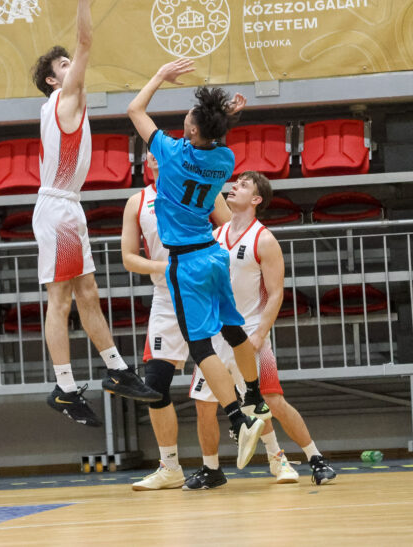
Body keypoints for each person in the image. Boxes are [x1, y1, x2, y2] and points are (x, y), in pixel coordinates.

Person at [30, 0, 159, 427]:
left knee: (86, 293)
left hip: (65, 206)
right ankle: (65, 388)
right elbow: (86, 42)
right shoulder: (65, 99)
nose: (74, 66)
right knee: (63, 299)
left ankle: (116, 371)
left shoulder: (59, 105)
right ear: (53, 79)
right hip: (59, 208)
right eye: (64, 65)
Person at [126, 58, 268, 471]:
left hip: (185, 262)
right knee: (233, 330)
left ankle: (239, 419)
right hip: (214, 254)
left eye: (189, 117)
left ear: (190, 130)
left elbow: (135, 109)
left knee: (201, 347)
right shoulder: (225, 159)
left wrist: (158, 75)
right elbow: (211, 138)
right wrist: (224, 117)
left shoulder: (169, 154)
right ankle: (255, 397)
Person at [186, 171, 337, 488]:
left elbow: (277, 293)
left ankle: (314, 459)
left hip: (248, 332)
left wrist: (260, 333)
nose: (234, 186)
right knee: (204, 405)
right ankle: (212, 469)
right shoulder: (215, 236)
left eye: (243, 185)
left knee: (270, 400)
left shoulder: (264, 239)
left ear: (256, 199)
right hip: (215, 335)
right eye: (235, 182)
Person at [121, 151, 232, 490]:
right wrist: (165, 268)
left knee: (242, 383)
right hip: (166, 298)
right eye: (149, 153)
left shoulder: (200, 187)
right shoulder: (137, 202)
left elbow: (231, 231)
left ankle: (276, 456)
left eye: (160, 150)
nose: (154, 156)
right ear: (146, 164)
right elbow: (129, 257)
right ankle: (170, 467)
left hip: (203, 293)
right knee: (155, 385)